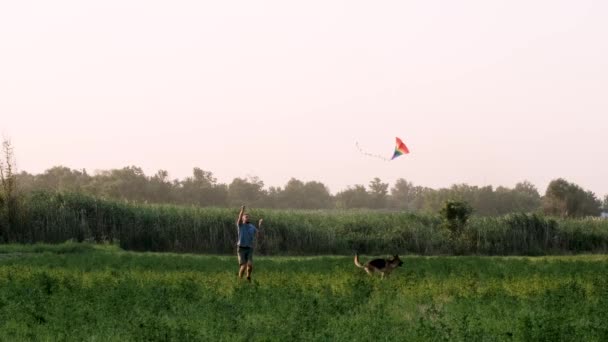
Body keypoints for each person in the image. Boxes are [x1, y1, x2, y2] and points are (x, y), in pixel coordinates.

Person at [236, 205, 263, 282]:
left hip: (249, 248)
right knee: (243, 266)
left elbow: (258, 234)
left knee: (250, 266)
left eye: (248, 217)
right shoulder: (240, 225)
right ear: (242, 218)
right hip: (241, 248)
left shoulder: (252, 226)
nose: (247, 218)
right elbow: (239, 217)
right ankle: (240, 280)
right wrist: (242, 210)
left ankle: (248, 276)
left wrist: (260, 224)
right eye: (246, 217)